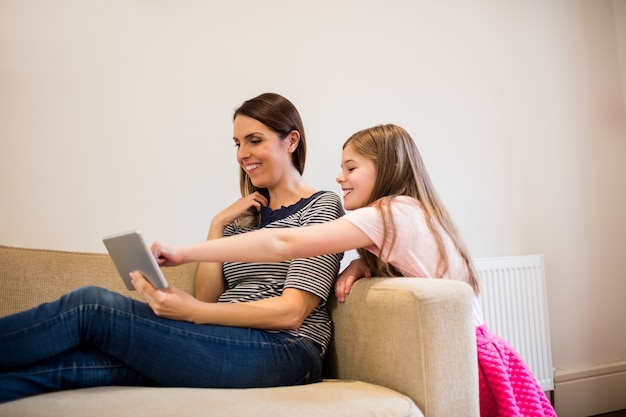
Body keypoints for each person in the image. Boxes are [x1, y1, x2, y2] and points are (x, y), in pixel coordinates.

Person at [138, 124, 557, 417]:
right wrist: (362, 264)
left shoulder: (387, 213)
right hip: (483, 354)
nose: (339, 177)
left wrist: (185, 251)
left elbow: (283, 242)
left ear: (387, 167)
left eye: (351, 167)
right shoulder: (408, 213)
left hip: (470, 360)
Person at [0, 92, 345, 403]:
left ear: (291, 141)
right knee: (77, 366)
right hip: (224, 337)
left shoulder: (322, 207)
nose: (243, 154)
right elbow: (210, 298)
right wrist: (217, 226)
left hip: (286, 350)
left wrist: (193, 313)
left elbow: (291, 312)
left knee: (90, 307)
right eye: (237, 143)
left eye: (254, 140)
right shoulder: (244, 218)